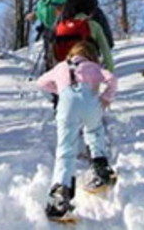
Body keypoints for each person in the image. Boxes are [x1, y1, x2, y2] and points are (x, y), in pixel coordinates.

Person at [36, 41, 118, 220]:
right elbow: (111, 78)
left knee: (66, 149)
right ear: (91, 55)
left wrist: (59, 89)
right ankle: (101, 167)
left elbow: (41, 83)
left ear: (71, 54)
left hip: (67, 104)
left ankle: (60, 194)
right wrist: (106, 96)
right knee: (94, 131)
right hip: (91, 103)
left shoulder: (61, 67)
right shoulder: (94, 67)